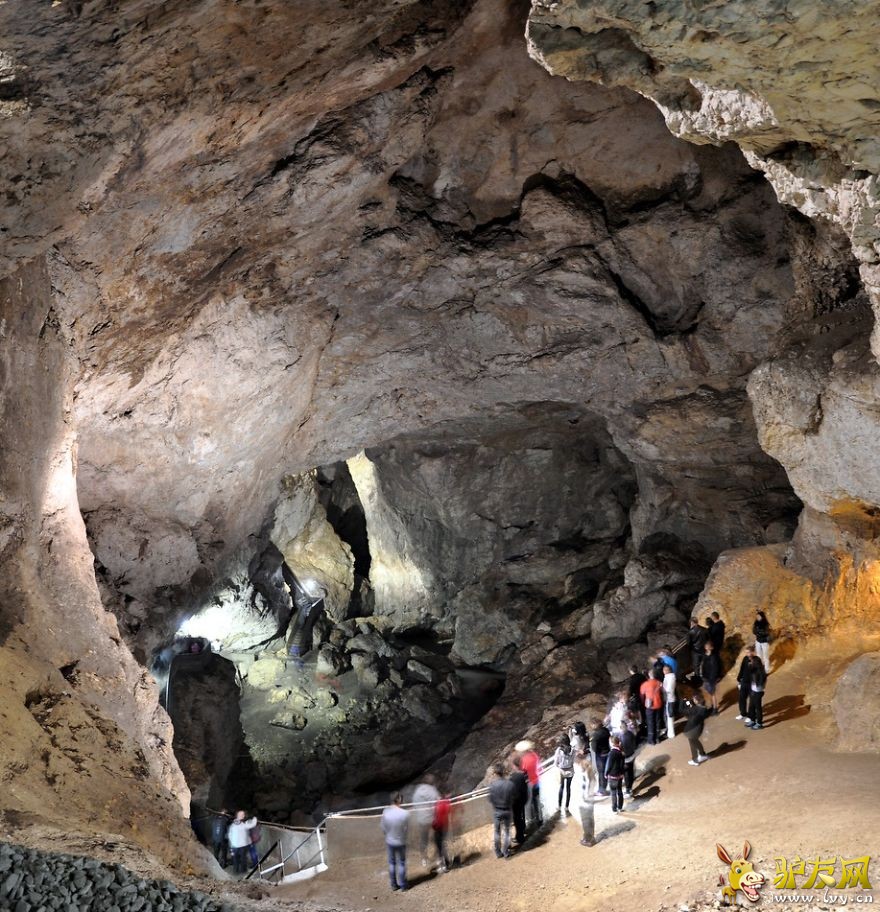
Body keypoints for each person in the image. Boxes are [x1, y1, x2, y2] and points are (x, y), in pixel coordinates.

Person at [381, 792, 409, 891]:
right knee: (401, 863)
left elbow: (383, 828)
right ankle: (403, 885)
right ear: (398, 799)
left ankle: (393, 885)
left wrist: (388, 835)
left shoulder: (385, 812)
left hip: (390, 841)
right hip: (401, 841)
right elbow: (405, 829)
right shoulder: (405, 813)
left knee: (392, 863)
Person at [412, 774, 441, 868]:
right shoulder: (433, 790)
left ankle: (424, 859)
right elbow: (438, 803)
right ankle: (438, 858)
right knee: (436, 838)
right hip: (432, 819)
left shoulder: (417, 790)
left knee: (423, 839)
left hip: (421, 819)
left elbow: (415, 804)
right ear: (432, 782)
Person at [487, 763, 516, 858]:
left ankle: (498, 852)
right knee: (507, 831)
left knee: (497, 831)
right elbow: (514, 797)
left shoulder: (492, 785)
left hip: (497, 811)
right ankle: (506, 851)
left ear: (495, 773)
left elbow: (490, 799)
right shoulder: (510, 784)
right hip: (507, 810)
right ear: (503, 772)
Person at [518, 741, 543, 827]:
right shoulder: (535, 755)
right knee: (537, 800)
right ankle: (540, 818)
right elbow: (539, 767)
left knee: (528, 802)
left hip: (530, 783)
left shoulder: (524, 759)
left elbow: (523, 771)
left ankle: (529, 821)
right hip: (537, 781)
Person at [682, 693, 710, 766]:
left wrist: (684, 701)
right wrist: (688, 703)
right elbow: (691, 708)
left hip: (692, 730)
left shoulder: (696, 709)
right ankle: (700, 756)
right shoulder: (702, 708)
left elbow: (683, 710)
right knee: (694, 742)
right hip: (696, 729)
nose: (693, 700)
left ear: (697, 701)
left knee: (693, 742)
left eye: (694, 699)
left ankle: (697, 758)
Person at [227, 810, 258, 875]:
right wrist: (255, 818)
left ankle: (236, 871)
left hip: (235, 845)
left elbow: (230, 835)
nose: (244, 816)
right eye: (242, 815)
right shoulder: (243, 825)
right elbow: (252, 824)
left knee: (236, 859)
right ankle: (243, 872)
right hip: (242, 845)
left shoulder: (232, 825)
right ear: (239, 816)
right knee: (243, 858)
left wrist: (232, 843)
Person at [509, 755, 529, 846]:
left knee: (517, 819)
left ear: (514, 765)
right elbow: (525, 789)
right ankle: (523, 830)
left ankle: (520, 837)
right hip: (522, 800)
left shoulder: (513, 777)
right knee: (521, 817)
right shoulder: (522, 775)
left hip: (515, 802)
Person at [640, 670, 664, 745]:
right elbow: (663, 692)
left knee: (650, 723)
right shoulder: (659, 683)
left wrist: (644, 703)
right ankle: (657, 738)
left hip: (650, 706)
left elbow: (642, 695)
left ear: (649, 675)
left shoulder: (645, 684)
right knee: (657, 721)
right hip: (658, 704)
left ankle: (651, 740)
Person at [432, 790, 453, 873]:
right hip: (445, 827)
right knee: (443, 845)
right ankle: (447, 862)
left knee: (440, 847)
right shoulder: (447, 803)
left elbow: (435, 817)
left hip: (438, 828)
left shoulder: (438, 804)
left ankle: (444, 866)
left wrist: (433, 826)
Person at [589, 719, 611, 796]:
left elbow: (594, 748)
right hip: (607, 752)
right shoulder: (606, 730)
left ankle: (601, 790)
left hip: (600, 755)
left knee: (601, 773)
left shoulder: (596, 735)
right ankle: (604, 787)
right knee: (606, 771)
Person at [604, 736, 626, 813]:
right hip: (619, 775)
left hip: (612, 776)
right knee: (619, 791)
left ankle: (614, 809)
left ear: (612, 743)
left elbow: (609, 765)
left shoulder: (611, 753)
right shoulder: (621, 752)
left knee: (613, 792)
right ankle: (620, 807)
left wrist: (606, 773)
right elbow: (623, 765)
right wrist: (622, 773)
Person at [554, 734, 575, 812]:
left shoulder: (559, 750)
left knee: (561, 788)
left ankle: (559, 806)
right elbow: (573, 761)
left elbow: (555, 762)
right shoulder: (573, 749)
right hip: (570, 771)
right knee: (568, 788)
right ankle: (567, 807)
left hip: (562, 771)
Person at [746, 654, 767, 730]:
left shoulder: (761, 672)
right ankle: (752, 720)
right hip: (753, 691)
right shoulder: (753, 669)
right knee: (751, 707)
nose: (750, 662)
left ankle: (759, 723)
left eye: (751, 661)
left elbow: (761, 683)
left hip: (758, 692)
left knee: (758, 708)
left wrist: (756, 681)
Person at [620, 715, 638, 799]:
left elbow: (621, 749)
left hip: (626, 758)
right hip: (632, 755)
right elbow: (635, 745)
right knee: (630, 772)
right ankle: (629, 787)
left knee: (627, 774)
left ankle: (628, 790)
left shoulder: (622, 737)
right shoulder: (630, 733)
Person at [735, 647, 755, 722]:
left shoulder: (756, 660)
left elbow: (758, 672)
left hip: (752, 684)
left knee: (752, 700)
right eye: (746, 652)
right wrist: (739, 679)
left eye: (749, 652)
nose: (747, 654)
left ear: (753, 652)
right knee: (741, 699)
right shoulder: (745, 659)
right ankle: (743, 714)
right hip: (744, 682)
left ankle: (750, 716)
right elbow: (742, 669)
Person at [702, 641, 721, 715]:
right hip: (706, 676)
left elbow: (716, 667)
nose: (707, 648)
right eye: (706, 646)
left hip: (712, 677)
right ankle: (712, 705)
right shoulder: (705, 655)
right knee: (709, 692)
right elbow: (703, 666)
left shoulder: (714, 656)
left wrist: (716, 677)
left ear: (711, 647)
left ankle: (715, 708)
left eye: (708, 646)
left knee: (712, 693)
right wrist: (703, 675)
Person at [662, 664, 677, 740]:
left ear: (668, 670)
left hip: (670, 699)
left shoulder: (671, 677)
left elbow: (669, 689)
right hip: (669, 699)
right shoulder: (668, 677)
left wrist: (662, 689)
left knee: (669, 716)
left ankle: (671, 733)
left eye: (664, 670)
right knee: (669, 716)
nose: (663, 671)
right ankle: (670, 731)